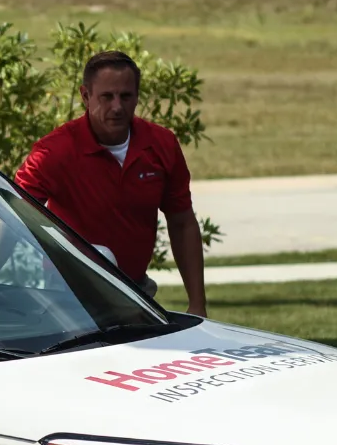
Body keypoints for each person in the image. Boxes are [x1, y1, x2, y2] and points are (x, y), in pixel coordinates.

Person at [14, 50, 206, 315]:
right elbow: (9, 216)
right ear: (85, 96)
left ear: (137, 97)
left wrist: (197, 304)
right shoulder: (53, 152)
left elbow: (182, 222)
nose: (117, 107)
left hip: (135, 291)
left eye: (126, 96)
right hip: (67, 296)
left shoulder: (161, 144)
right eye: (106, 97)